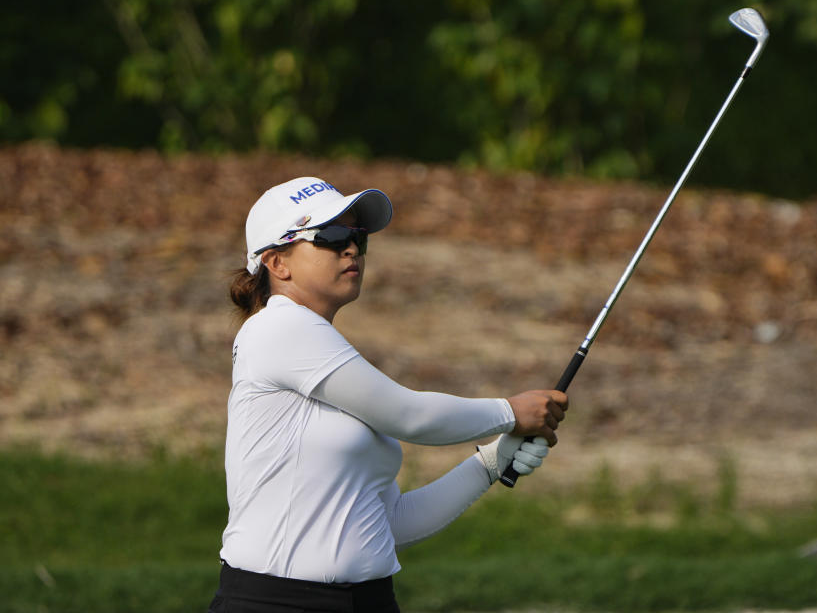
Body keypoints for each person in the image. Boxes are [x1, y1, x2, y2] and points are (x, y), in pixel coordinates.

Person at [209, 177, 569, 613]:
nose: (352, 249)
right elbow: (409, 416)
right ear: (276, 263)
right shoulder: (277, 327)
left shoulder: (323, 352)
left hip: (370, 601)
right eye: (333, 236)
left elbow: (391, 523)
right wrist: (510, 412)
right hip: (275, 602)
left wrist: (490, 463)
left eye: (357, 237)